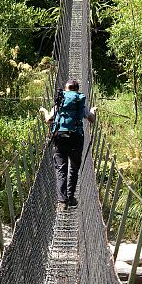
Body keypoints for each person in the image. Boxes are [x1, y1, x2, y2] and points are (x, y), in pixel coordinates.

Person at [40, 80, 96, 211]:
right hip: (76, 138)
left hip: (60, 137)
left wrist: (44, 110)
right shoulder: (80, 102)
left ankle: (62, 202)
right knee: (74, 168)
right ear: (77, 90)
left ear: (66, 90)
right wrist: (93, 110)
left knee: (61, 169)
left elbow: (49, 120)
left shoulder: (60, 100)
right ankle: (70, 197)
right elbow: (91, 119)